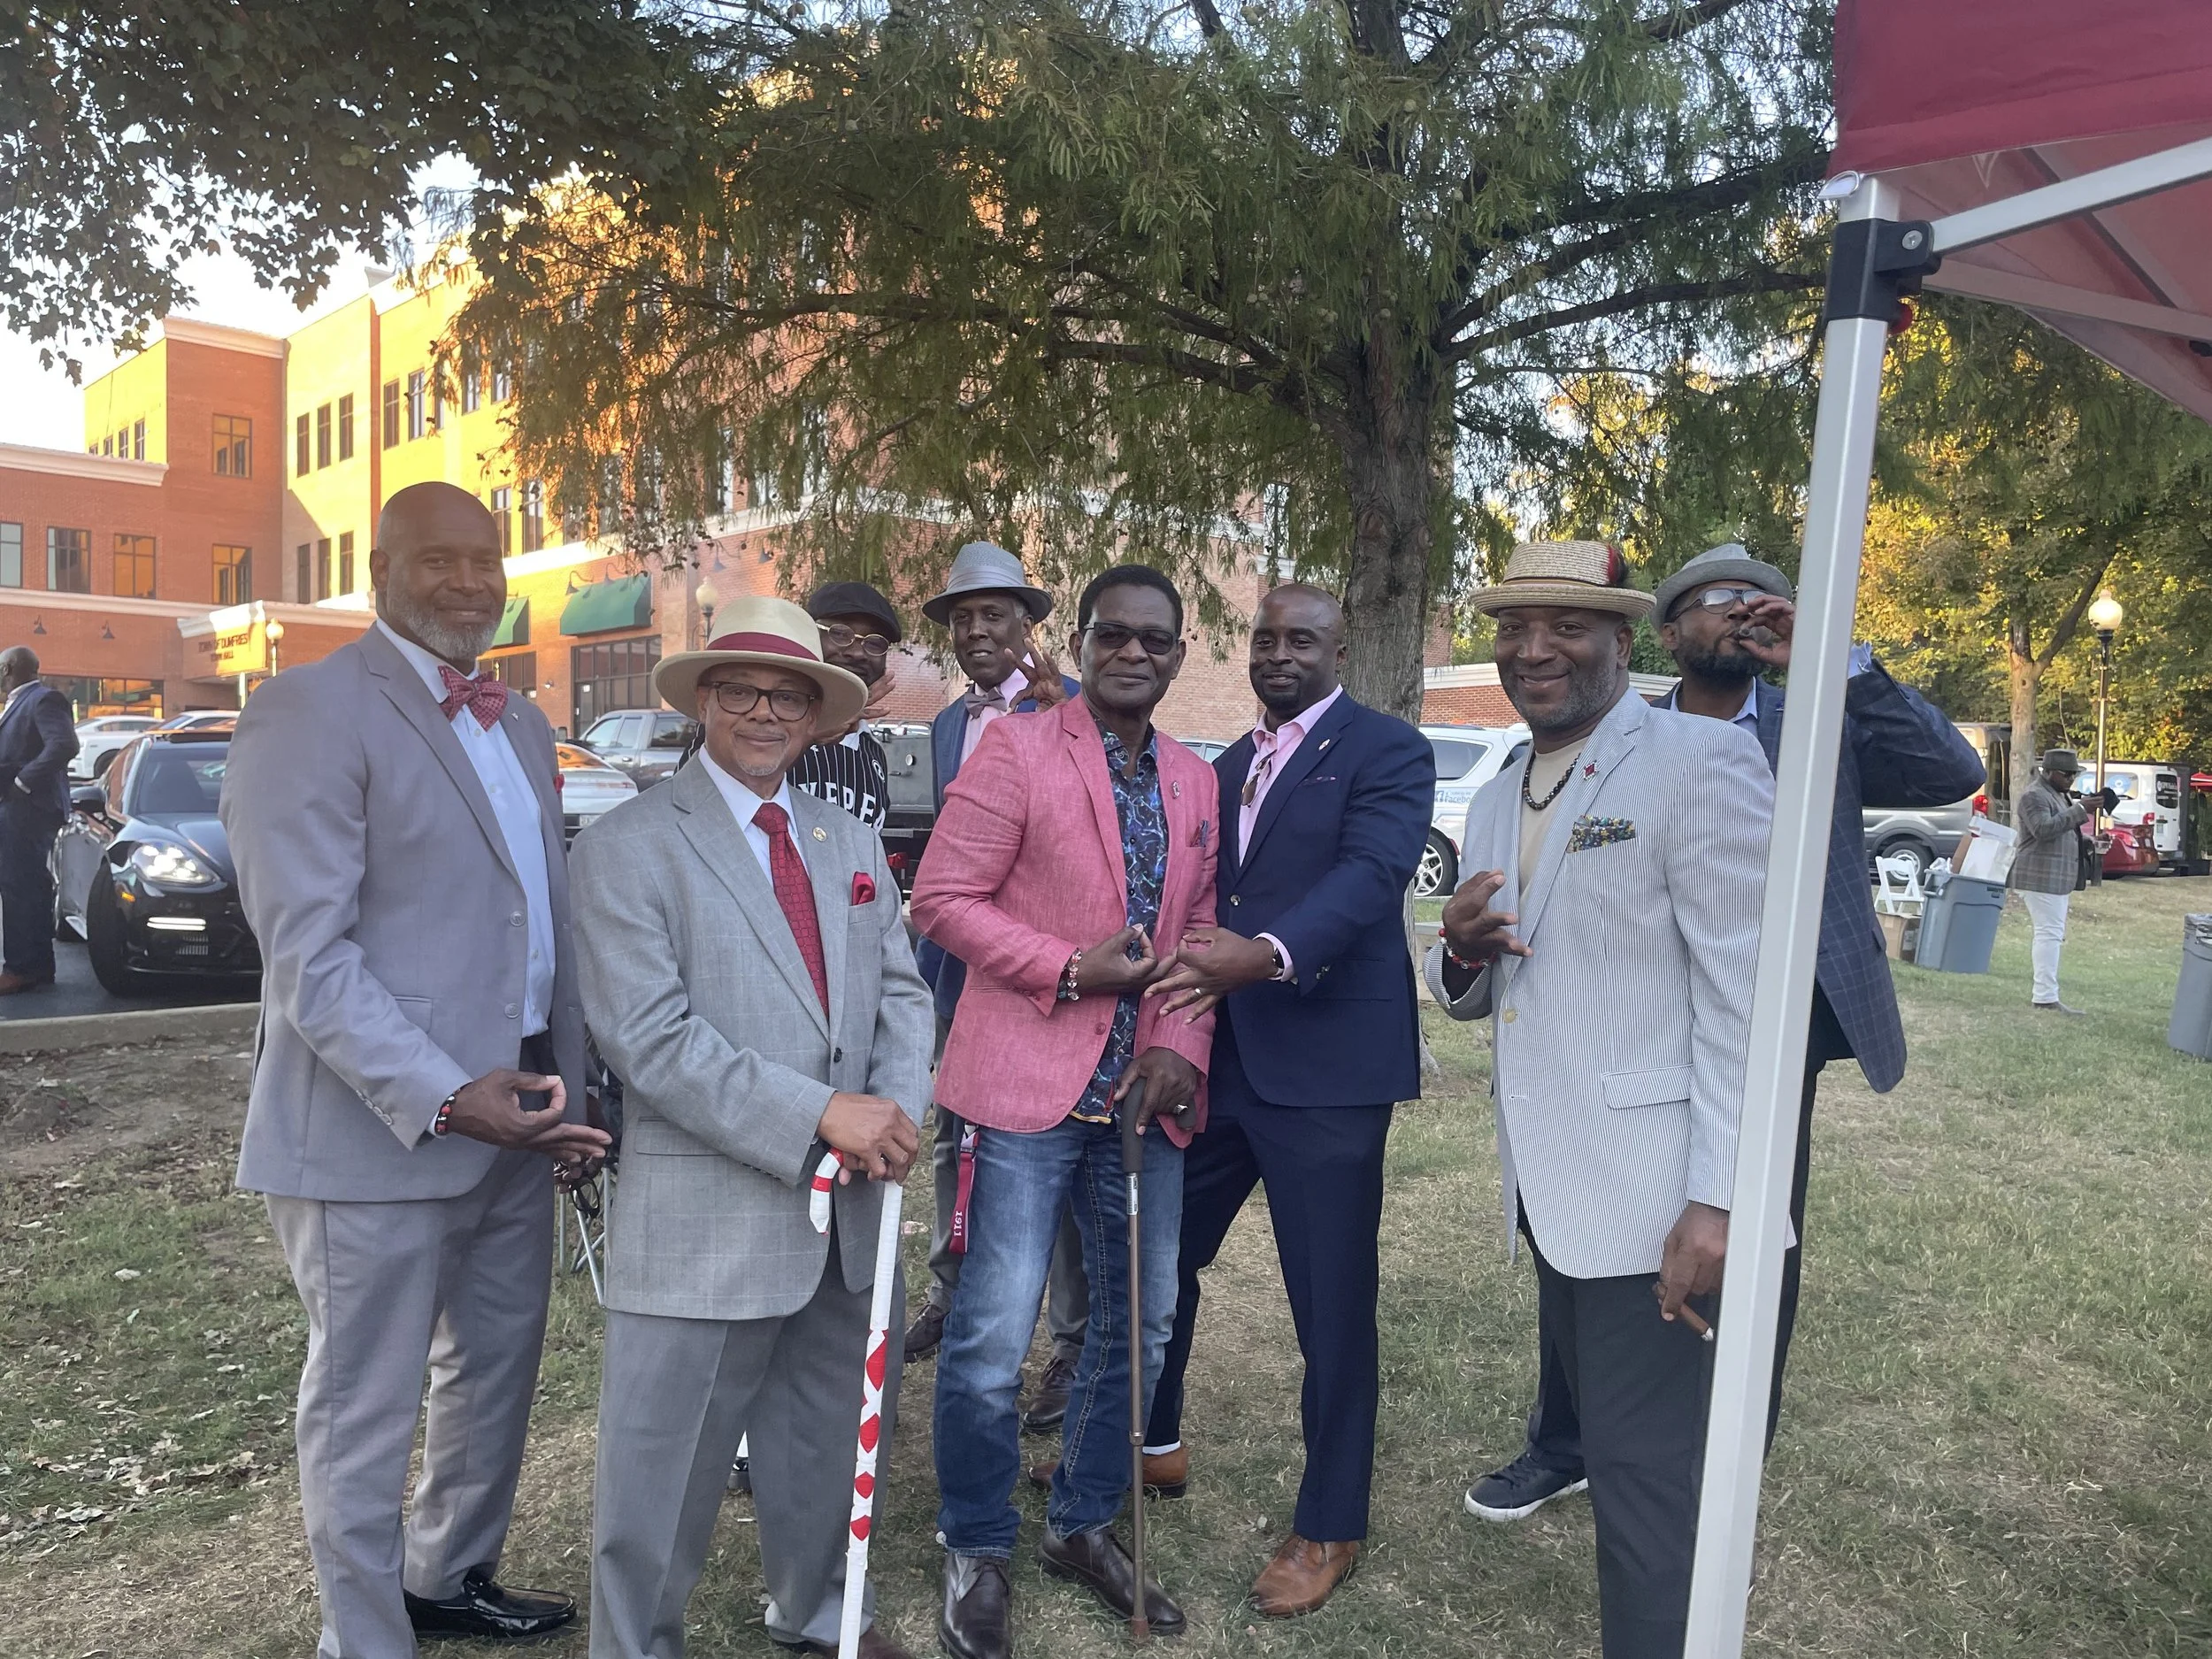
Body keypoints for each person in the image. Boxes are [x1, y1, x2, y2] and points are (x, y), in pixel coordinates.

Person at [1465, 543, 1985, 1524]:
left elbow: (1948, 772)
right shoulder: (1613, 735)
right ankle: (1566, 1438)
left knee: (1747, 1230)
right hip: (1626, 1036)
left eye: (1764, 601)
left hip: (1783, 1020)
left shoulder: (1813, 715)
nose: (1741, 615)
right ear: (1660, 634)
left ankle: (1724, 1437)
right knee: (1584, 1232)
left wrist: (1832, 657)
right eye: (1712, 603)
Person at [221, 480, 610, 1658]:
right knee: (364, 1404)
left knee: (494, 1373)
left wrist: (565, 1086)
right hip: (374, 1132)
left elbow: (531, 919)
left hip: (519, 1116)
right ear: (379, 569)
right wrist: (447, 1089)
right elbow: (308, 956)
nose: (470, 582)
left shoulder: (523, 721)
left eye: (486, 560)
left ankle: (447, 1576)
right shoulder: (306, 711)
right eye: (439, 560)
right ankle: (366, 1636)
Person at [1425, 539, 1771, 1659]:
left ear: (1622, 640)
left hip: (1655, 1200)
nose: (1536, 649)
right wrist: (1460, 951)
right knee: (1619, 1462)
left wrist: (1718, 1201)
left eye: (1567, 625)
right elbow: (1470, 992)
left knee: (1643, 1485)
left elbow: (1744, 1000)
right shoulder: (1493, 792)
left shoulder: (1696, 762)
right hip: (1551, 1191)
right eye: (1516, 626)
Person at [571, 594, 933, 1659]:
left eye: (789, 695)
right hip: (706, 1217)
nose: (765, 713)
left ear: (819, 714)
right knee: (663, 1471)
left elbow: (901, 992)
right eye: (742, 691)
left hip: (849, 1215)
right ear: (701, 702)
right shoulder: (629, 848)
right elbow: (650, 1039)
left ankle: (815, 1613)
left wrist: (896, 1107)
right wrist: (824, 1112)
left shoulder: (845, 835)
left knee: (821, 1443)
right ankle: (635, 1645)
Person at [912, 564, 1218, 1659]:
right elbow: (941, 901)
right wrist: (1072, 970)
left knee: (1137, 1329)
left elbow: (1201, 926)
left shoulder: (1194, 779)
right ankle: (978, 1541)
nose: (1135, 653)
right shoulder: (1017, 751)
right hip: (1022, 1085)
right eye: (1115, 635)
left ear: (1180, 654)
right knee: (993, 1335)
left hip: (1141, 1098)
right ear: (1081, 643)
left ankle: (1081, 1524)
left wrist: (1179, 1045)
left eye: (1156, 639)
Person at [1135, 583, 1435, 1616]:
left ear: (1339, 646)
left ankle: (1330, 1522)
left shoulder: (1386, 749)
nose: (1277, 654)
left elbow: (1371, 876)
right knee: (1159, 1263)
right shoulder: (1223, 767)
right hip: (1220, 1071)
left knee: (1331, 1305)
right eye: (1262, 638)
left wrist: (1261, 955)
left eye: (1299, 638)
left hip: (1329, 1078)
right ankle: (1154, 1444)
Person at [904, 541, 1089, 1442]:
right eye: (961, 617)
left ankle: (1072, 1339)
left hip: (1056, 982)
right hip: (958, 977)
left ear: (1029, 623)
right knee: (954, 1145)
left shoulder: (1079, 712)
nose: (977, 630)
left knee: (1049, 1160)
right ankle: (952, 1291)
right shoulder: (947, 726)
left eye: (994, 613)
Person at [791, 580, 902, 830]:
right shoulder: (759, 719)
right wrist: (805, 735)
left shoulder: (872, 751)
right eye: (840, 634)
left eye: (874, 643)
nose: (858, 652)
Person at [0, 645, 80, 993]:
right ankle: (37, 967)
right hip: (19, 810)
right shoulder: (19, 703)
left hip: (29, 809)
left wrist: (22, 781)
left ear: (10, 667)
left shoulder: (44, 699)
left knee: (20, 887)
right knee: (26, 886)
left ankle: (20, 968)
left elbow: (64, 744)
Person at [2012, 749, 2106, 1016]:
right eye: (2066, 774)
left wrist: (2087, 841)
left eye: (2074, 775)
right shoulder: (2034, 796)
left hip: (2054, 877)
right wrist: (2080, 810)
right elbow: (2042, 830)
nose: (2071, 780)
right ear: (2049, 772)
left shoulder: (2057, 794)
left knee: (2051, 934)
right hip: (2040, 876)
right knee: (2049, 935)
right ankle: (2044, 997)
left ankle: (2046, 995)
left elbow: (2060, 830)